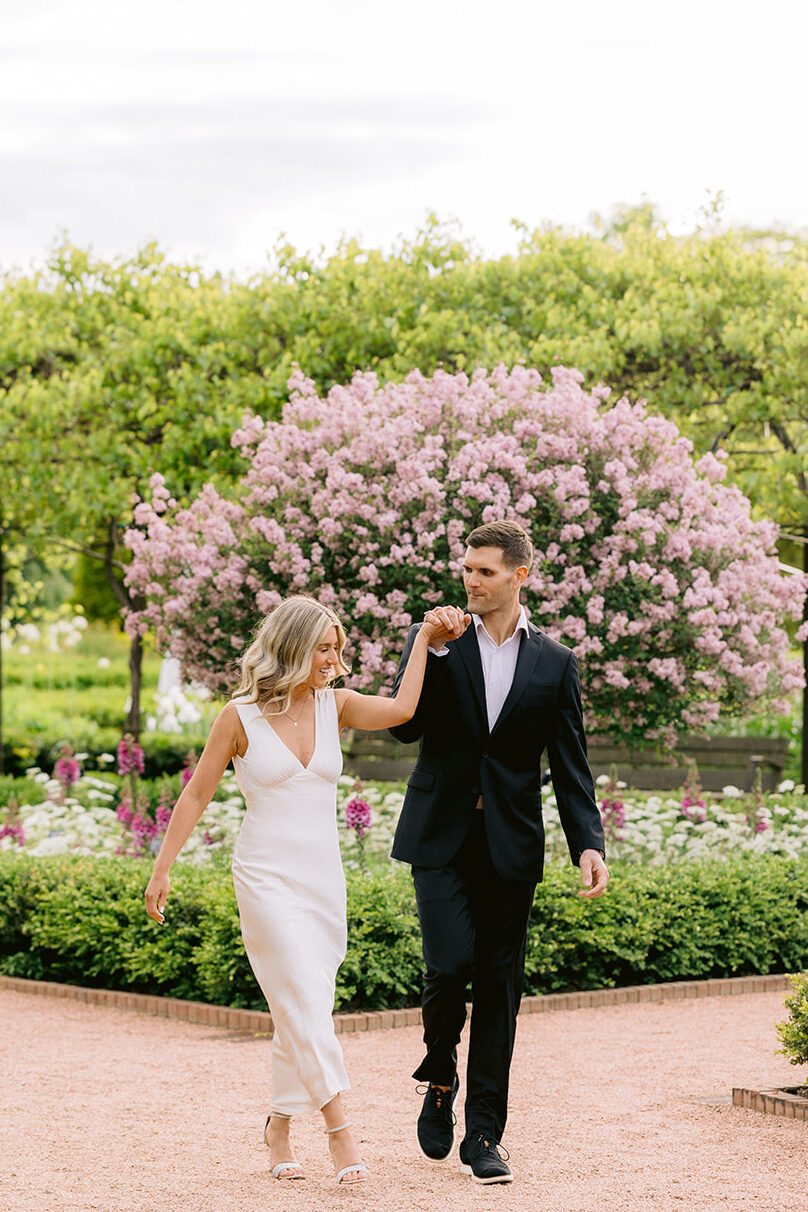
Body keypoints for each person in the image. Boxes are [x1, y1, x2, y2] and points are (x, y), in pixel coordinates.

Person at [144, 594, 469, 1185]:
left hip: (322, 878)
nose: (333, 658)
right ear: (292, 647)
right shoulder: (237, 717)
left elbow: (401, 709)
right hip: (264, 877)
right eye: (323, 647)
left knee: (305, 1006)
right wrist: (162, 867)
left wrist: (423, 642)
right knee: (298, 993)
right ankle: (341, 1132)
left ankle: (277, 1125)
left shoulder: (334, 705)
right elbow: (195, 794)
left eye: (336, 648)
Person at [389, 520, 609, 1186]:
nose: (470, 580)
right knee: (448, 965)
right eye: (466, 568)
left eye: (484, 571)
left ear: (521, 575)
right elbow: (405, 727)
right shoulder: (442, 646)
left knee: (500, 991)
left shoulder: (555, 662)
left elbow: (571, 763)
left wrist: (588, 842)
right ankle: (438, 1078)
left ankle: (484, 1133)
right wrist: (422, 644)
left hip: (511, 846)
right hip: (439, 838)